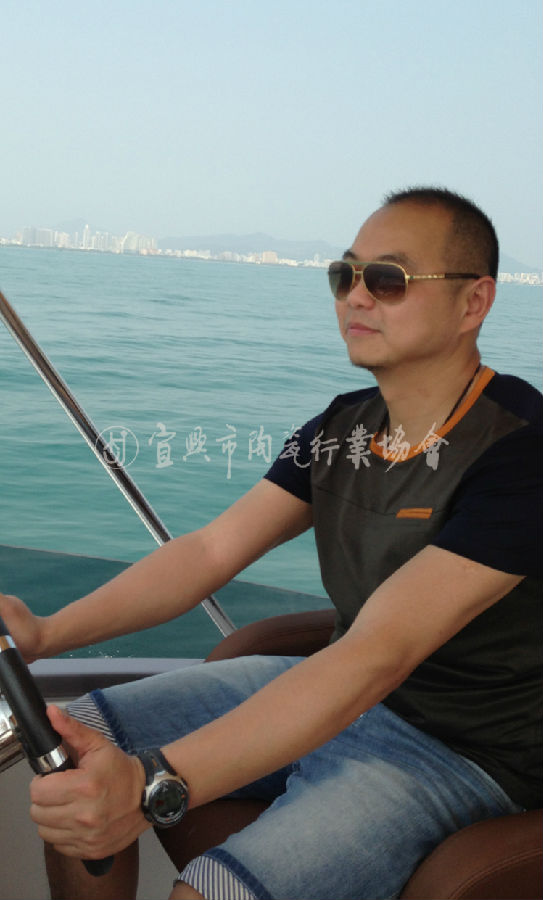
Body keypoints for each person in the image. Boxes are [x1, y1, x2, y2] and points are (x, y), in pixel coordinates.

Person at [1, 187, 541, 900]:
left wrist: (151, 781)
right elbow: (209, 552)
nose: (355, 296)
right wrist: (45, 632)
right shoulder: (341, 429)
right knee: (72, 757)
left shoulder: (518, 451)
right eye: (344, 275)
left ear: (473, 302)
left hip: (459, 747)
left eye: (388, 279)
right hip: (344, 688)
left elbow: (377, 653)